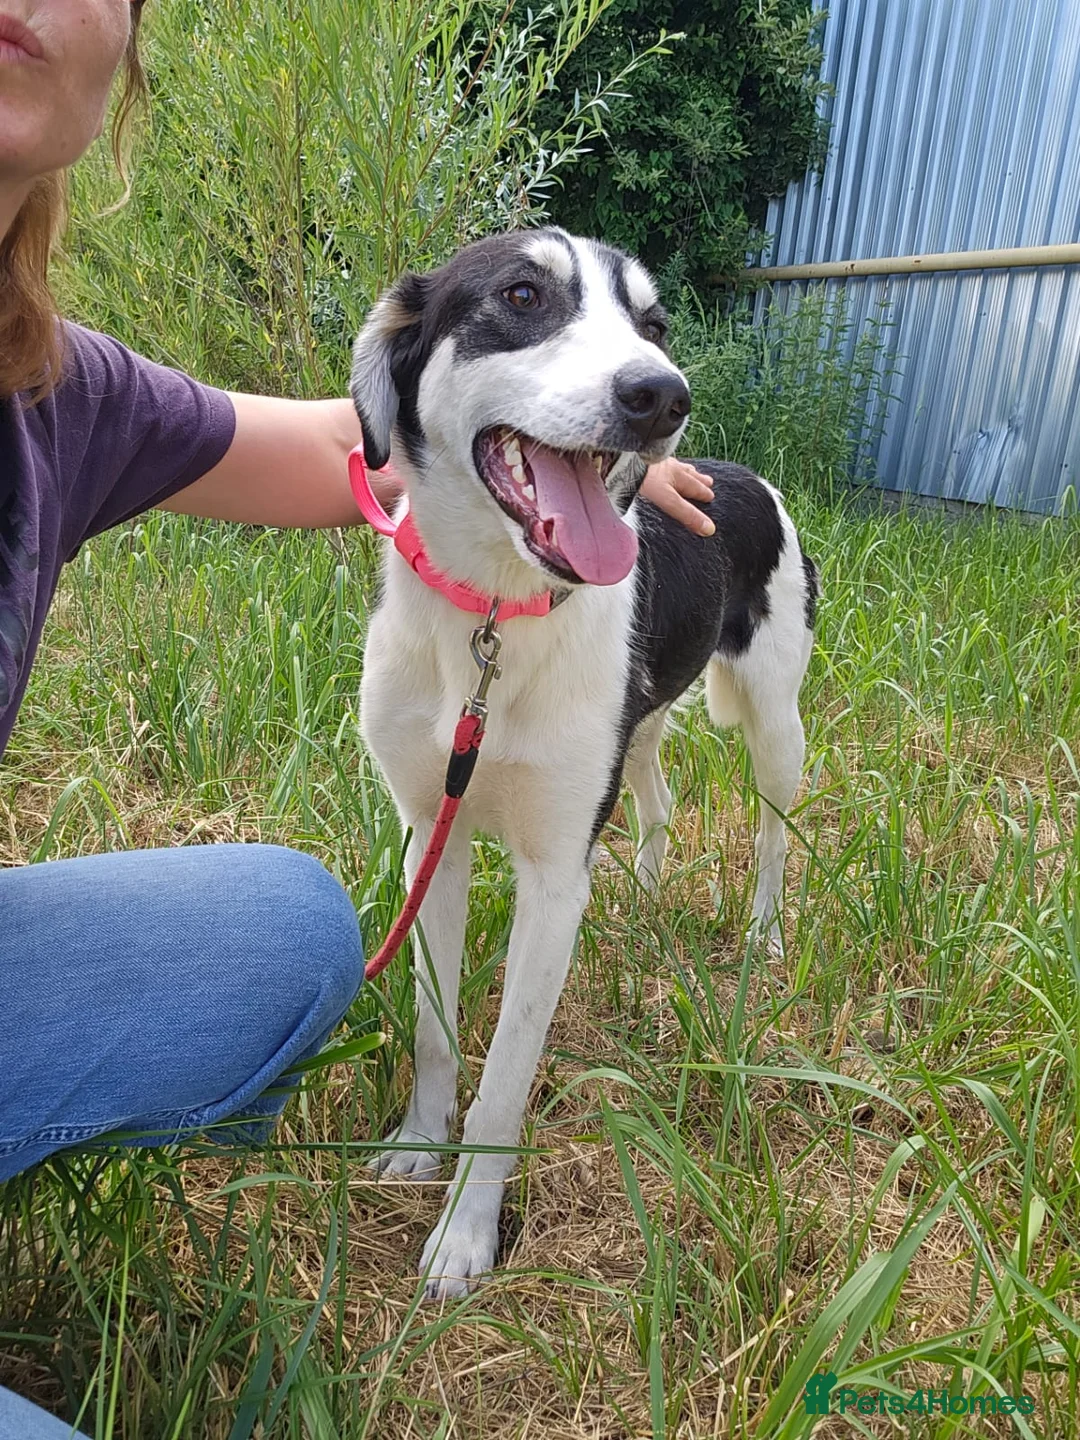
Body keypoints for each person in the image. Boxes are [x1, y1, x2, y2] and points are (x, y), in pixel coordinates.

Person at [0, 3, 716, 1434]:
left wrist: (597, 461)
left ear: (122, 69)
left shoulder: (58, 391)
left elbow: (357, 436)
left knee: (295, 926)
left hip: (542, 619)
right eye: (532, 305)